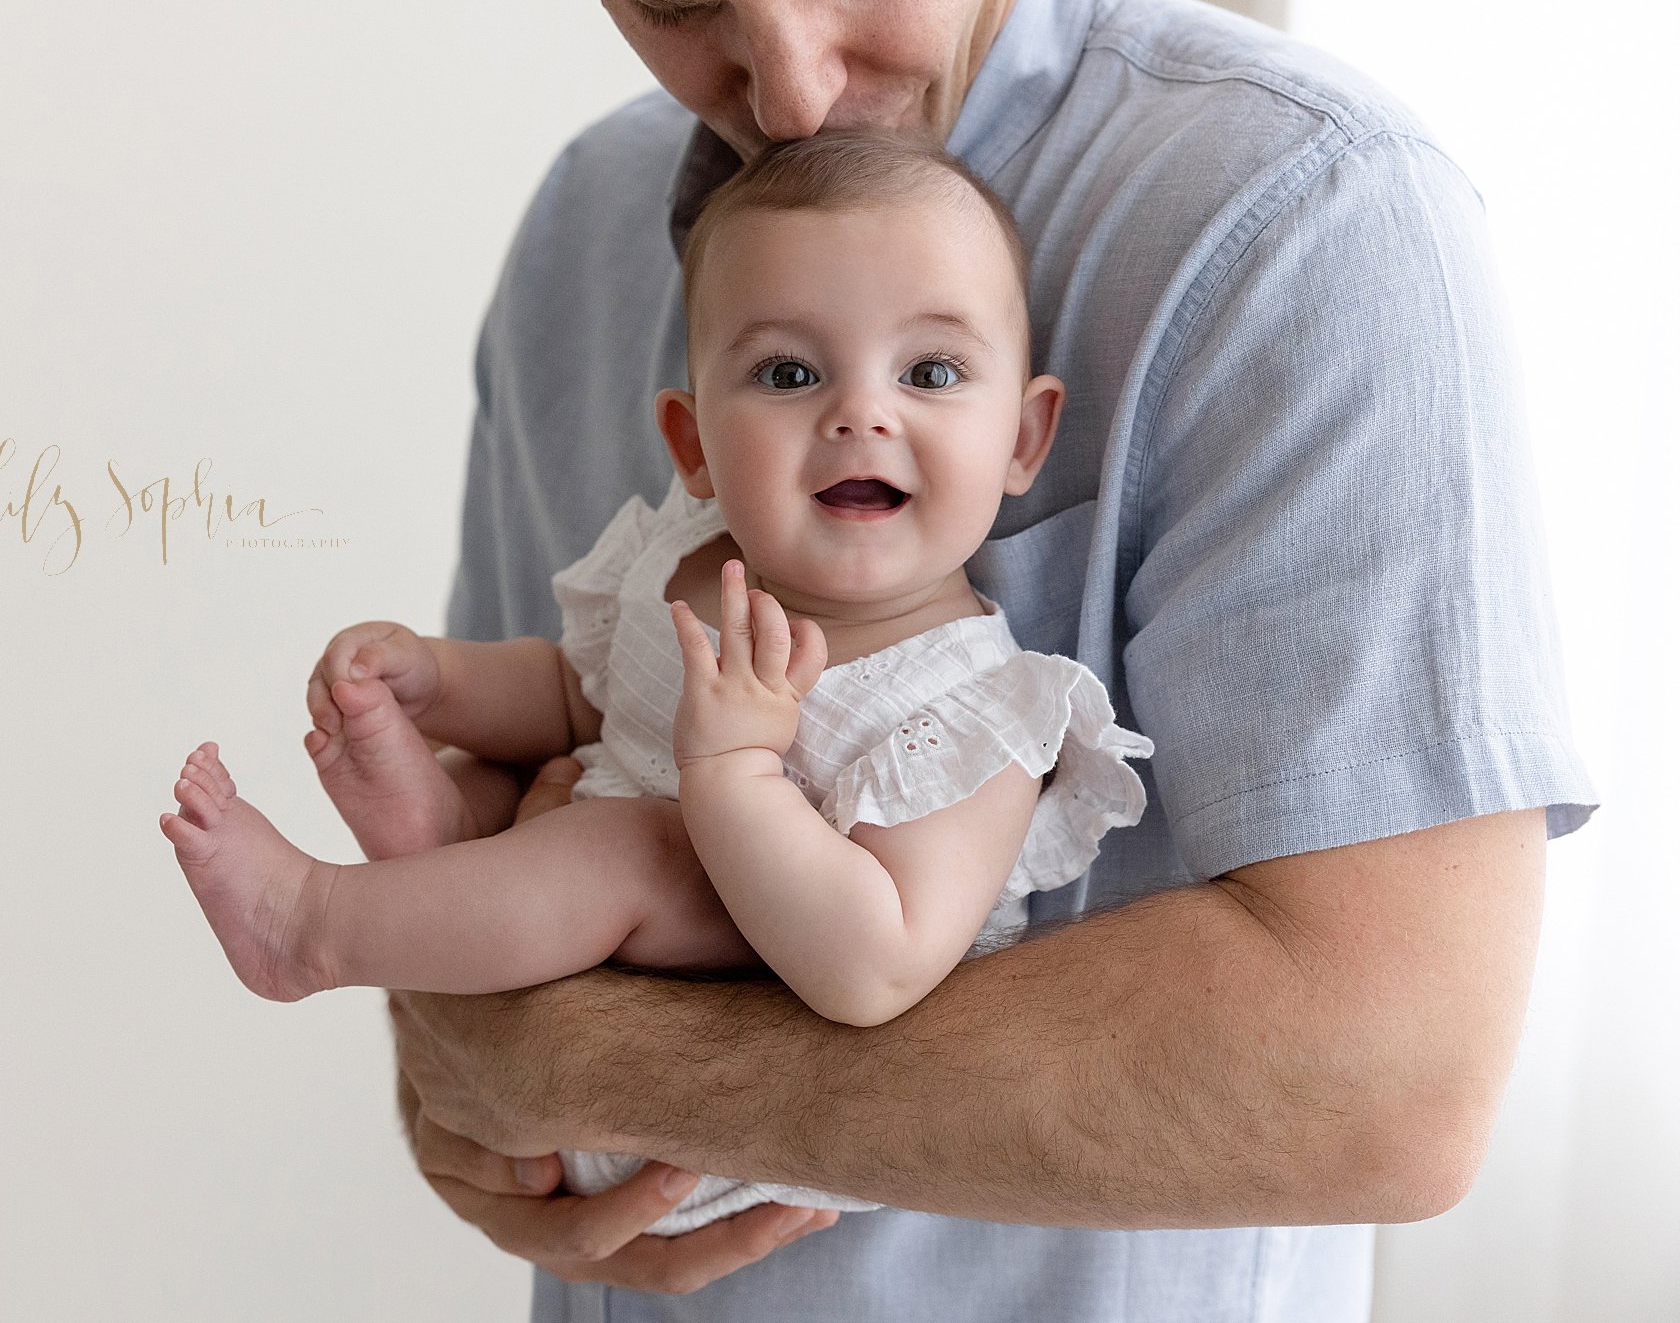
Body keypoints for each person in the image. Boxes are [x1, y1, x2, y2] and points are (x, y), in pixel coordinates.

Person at [331, 0, 1598, 1315]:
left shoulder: (1311, 214)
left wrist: (600, 1065)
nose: (791, 97)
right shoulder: (580, 226)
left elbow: (1386, 1076)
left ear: (1026, 428)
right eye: (678, 4)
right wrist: (463, 1105)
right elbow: (506, 796)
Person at [158, 132, 1155, 1236]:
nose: (859, 413)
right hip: (552, 1035)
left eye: (928, 372)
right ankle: (436, 830)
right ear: (692, 440)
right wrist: (439, 680)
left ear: (1021, 437)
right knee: (531, 768)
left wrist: (732, 772)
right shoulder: (691, 558)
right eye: (787, 373)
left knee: (637, 839)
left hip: (721, 1107)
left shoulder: (975, 709)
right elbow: (577, 694)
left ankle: (311, 923)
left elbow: (875, 964)